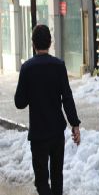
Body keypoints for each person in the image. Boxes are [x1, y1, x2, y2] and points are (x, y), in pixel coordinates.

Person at [14, 25, 81, 195]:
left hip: (39, 135)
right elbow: (67, 97)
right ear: (50, 43)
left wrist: (31, 90)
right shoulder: (59, 65)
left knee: (42, 181)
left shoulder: (27, 68)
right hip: (57, 132)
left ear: (33, 44)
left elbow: (19, 102)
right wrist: (75, 124)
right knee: (57, 177)